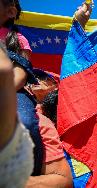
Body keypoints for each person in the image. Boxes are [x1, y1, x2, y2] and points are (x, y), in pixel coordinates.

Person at [0, 41, 34, 188]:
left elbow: (20, 74)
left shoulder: (19, 39)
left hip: (14, 89)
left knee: (26, 121)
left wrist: (5, 88)